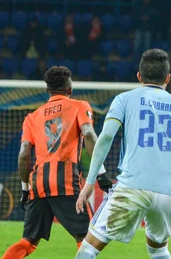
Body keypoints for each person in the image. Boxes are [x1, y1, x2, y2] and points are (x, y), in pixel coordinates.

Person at [73, 49, 171, 259]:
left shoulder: (124, 99)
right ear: (168, 78)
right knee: (158, 249)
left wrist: (89, 183)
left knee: (90, 247)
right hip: (169, 194)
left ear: (139, 76)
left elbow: (105, 138)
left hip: (132, 186)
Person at [1, 66, 112, 259]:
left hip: (38, 184)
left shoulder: (31, 117)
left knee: (28, 241)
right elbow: (88, 134)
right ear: (69, 88)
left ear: (48, 90)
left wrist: (25, 188)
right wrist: (100, 174)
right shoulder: (79, 105)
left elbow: (24, 154)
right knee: (89, 239)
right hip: (66, 181)